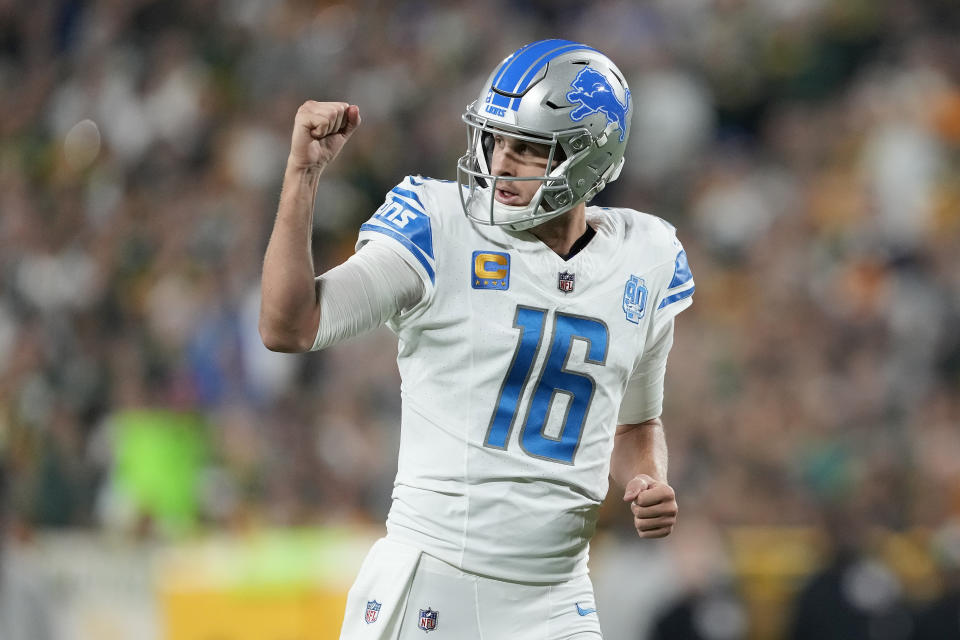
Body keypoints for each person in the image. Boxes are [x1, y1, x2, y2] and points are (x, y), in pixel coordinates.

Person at [260, 39, 694, 639]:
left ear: (589, 157)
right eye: (496, 141)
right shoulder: (440, 225)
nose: (501, 164)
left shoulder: (645, 257)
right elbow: (289, 325)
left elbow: (634, 426)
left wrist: (647, 478)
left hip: (557, 597)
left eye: (528, 148)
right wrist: (303, 175)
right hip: (433, 581)